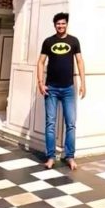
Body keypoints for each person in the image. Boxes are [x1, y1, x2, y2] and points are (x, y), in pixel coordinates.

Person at [37, 12, 85, 170]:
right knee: (50, 124)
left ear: (66, 24)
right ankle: (50, 157)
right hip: (51, 88)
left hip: (68, 89)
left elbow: (79, 61)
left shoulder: (74, 41)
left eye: (63, 23)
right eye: (58, 24)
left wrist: (83, 83)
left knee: (70, 124)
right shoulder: (48, 41)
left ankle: (70, 156)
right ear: (54, 25)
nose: (61, 26)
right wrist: (40, 83)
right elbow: (41, 62)